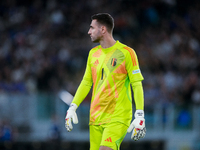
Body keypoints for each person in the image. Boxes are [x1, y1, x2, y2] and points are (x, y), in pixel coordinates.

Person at [65, 13, 146, 150]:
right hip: (96, 117)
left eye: (92, 28)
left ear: (103, 29)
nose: (88, 31)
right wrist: (73, 106)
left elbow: (136, 84)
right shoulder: (93, 54)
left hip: (117, 116)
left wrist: (140, 113)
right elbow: (86, 82)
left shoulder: (126, 53)